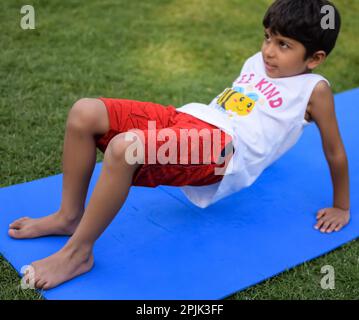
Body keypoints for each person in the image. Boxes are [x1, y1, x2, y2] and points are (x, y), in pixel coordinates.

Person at [8, 0, 350, 290]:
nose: (268, 51)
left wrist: (342, 207)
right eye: (267, 38)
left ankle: (78, 253)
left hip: (224, 152)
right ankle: (68, 216)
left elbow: (334, 150)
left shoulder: (314, 90)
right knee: (84, 112)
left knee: (125, 148)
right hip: (194, 119)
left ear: (315, 58)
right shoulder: (259, 62)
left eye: (283, 45)